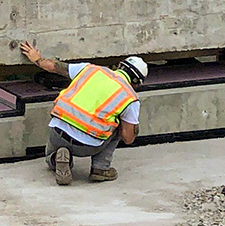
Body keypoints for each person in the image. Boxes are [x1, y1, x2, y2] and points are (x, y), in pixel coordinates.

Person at [21, 41, 145, 186]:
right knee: (119, 128)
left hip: (58, 133)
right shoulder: (130, 97)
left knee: (54, 138)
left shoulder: (90, 69)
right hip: (88, 145)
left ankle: (55, 158)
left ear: (120, 66)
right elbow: (128, 138)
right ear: (136, 83)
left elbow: (54, 67)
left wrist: (37, 59)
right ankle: (100, 169)